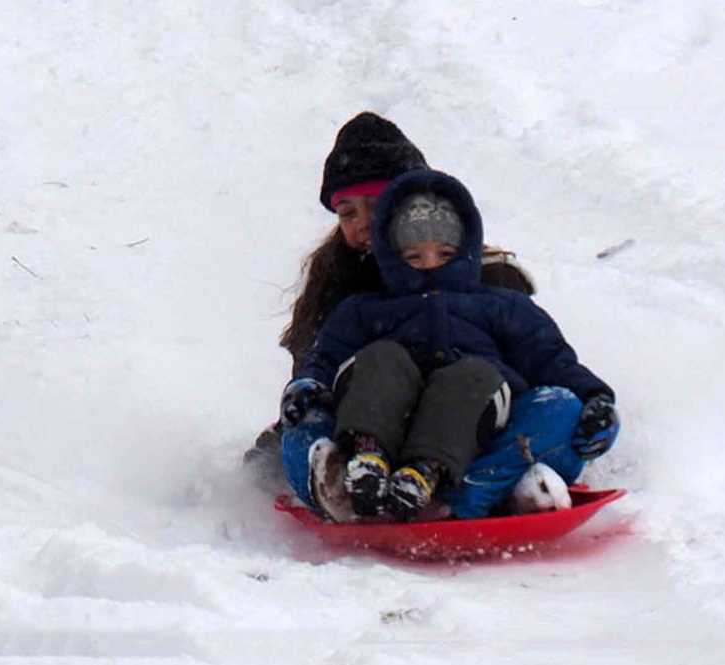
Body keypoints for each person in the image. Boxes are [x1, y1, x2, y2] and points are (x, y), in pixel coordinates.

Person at [279, 168, 620, 522]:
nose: (429, 266)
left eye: (444, 254)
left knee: (553, 405)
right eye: (413, 257)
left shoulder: (501, 305)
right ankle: (350, 484)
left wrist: (597, 399)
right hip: (381, 430)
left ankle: (450, 497)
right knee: (358, 379)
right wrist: (306, 389)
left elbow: (552, 360)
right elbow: (325, 358)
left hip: (472, 440)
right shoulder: (363, 310)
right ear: (390, 256)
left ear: (467, 250)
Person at [244, 112, 534, 488]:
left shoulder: (487, 276)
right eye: (348, 213)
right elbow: (316, 367)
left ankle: (494, 482)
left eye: (377, 205)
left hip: (470, 425)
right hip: (368, 429)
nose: (363, 223)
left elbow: (531, 359)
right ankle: (338, 483)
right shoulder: (338, 284)